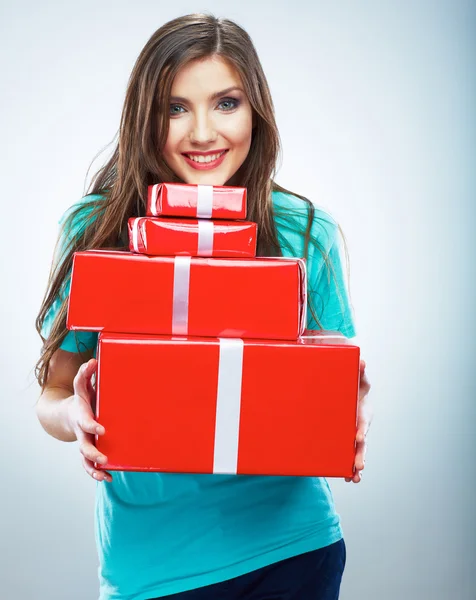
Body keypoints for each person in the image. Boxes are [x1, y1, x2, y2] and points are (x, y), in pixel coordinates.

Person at [35, 13, 372, 600]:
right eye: (173, 108)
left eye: (225, 103)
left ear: (255, 112)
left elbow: (331, 379)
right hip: (153, 567)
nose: (201, 133)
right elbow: (54, 396)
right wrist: (76, 420)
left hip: (292, 552)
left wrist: (351, 409)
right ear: (144, 117)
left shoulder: (303, 233)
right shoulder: (97, 231)